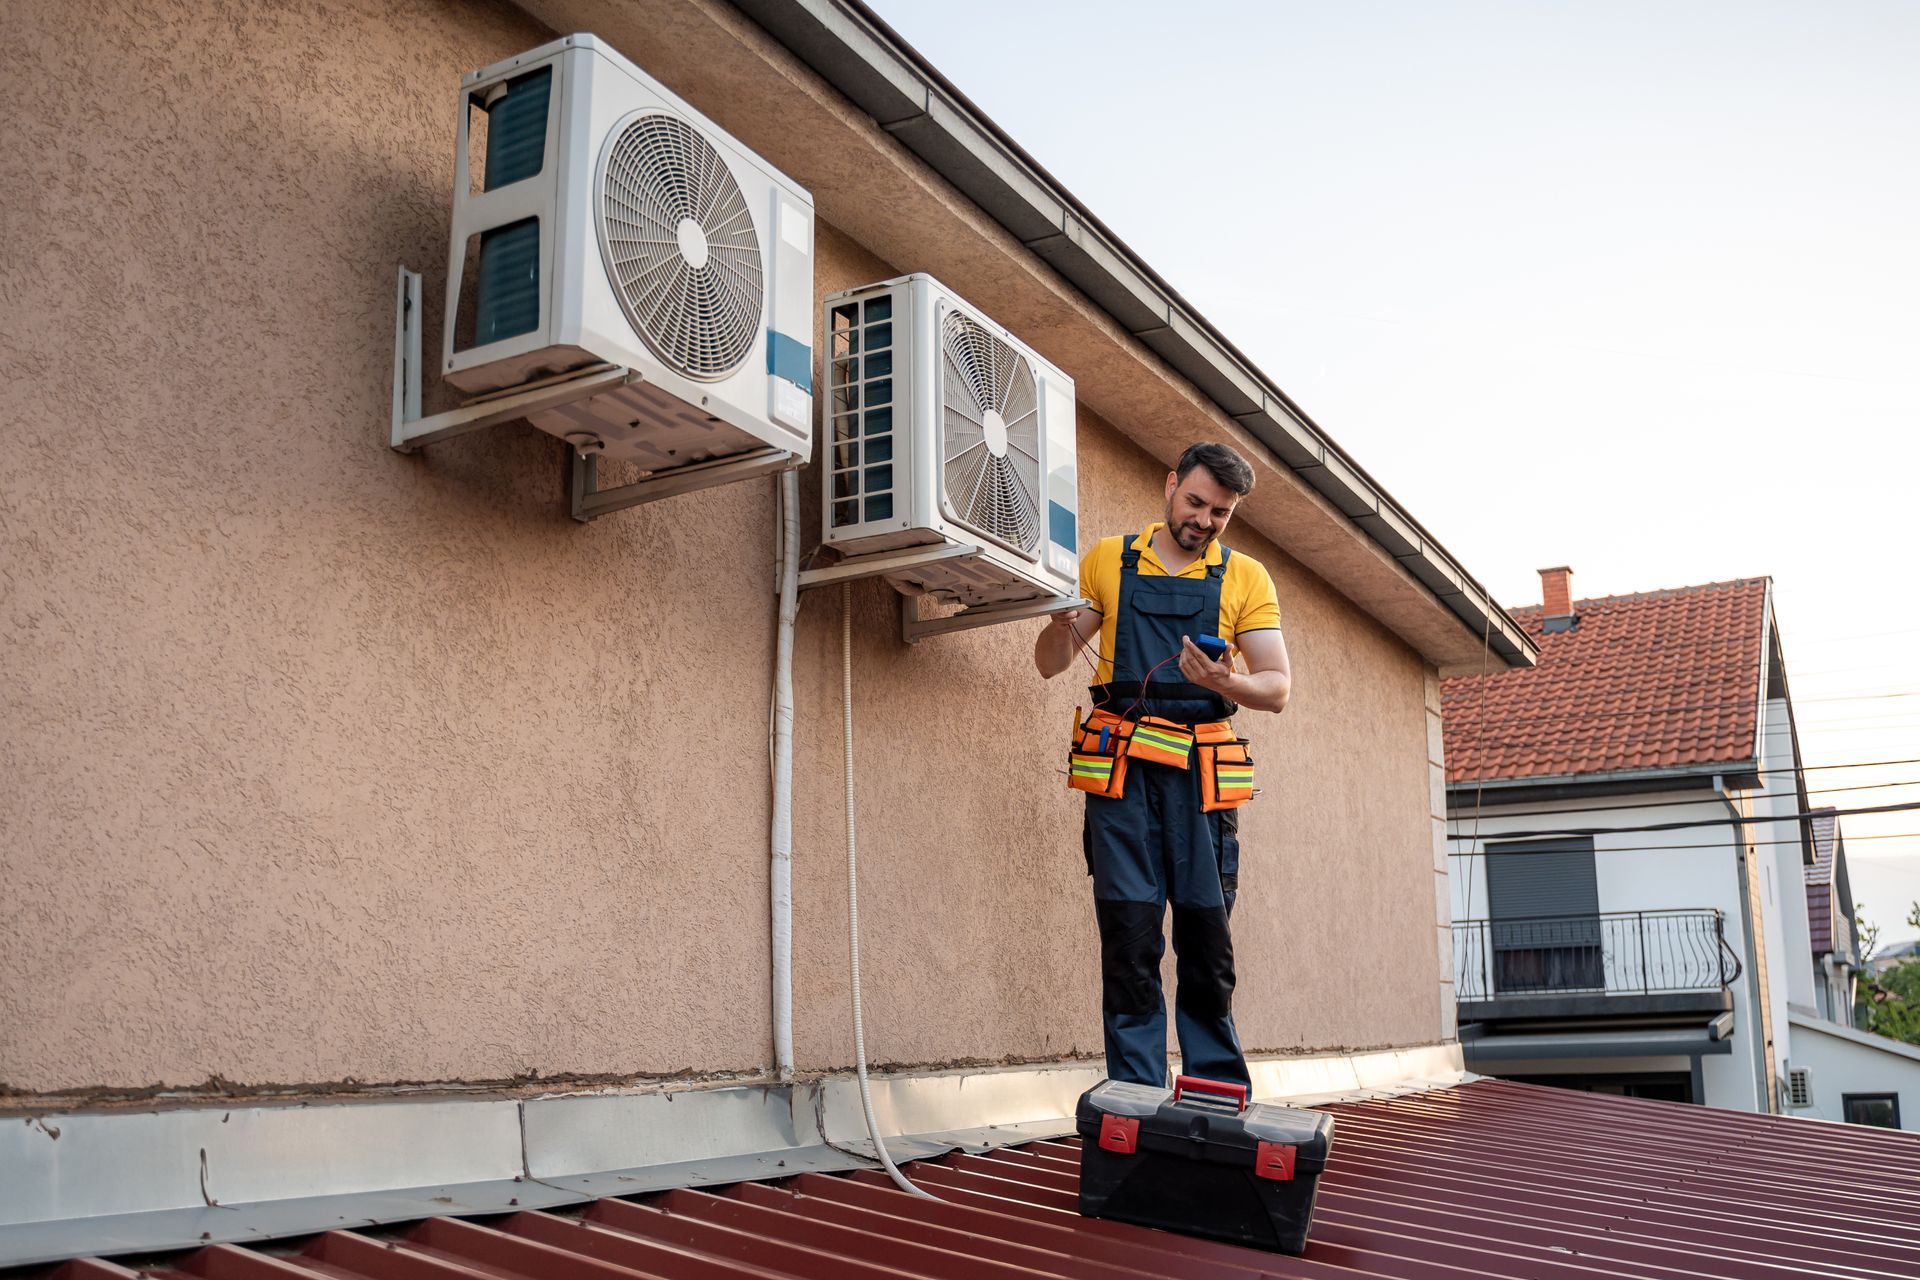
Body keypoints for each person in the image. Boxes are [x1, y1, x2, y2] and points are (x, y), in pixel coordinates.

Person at [1033, 442, 1291, 1088]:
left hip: (1201, 786)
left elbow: (1278, 687)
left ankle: (1213, 1098)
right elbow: (1049, 662)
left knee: (1206, 945)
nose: (1203, 520)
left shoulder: (1246, 578)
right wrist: (1058, 626)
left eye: (1220, 513)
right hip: (1122, 783)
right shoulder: (1109, 562)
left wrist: (1225, 683)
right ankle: (1135, 1097)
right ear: (1171, 485)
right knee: (1129, 940)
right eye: (1196, 502)